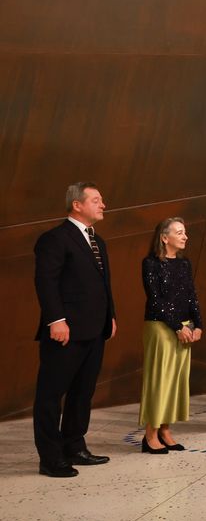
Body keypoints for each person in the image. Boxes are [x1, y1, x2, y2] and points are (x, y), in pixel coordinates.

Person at [33, 183, 117, 478]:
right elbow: (47, 283)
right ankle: (50, 457)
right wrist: (55, 320)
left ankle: (74, 446)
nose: (103, 204)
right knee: (51, 395)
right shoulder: (54, 239)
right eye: (96, 199)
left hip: (95, 330)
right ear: (77, 205)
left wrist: (111, 316)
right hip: (65, 331)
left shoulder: (99, 241)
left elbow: (103, 285)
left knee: (83, 392)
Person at [139, 217, 203, 454]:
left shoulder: (184, 264)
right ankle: (150, 433)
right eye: (179, 232)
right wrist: (178, 326)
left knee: (175, 381)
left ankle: (165, 430)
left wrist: (197, 325)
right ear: (164, 238)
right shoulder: (151, 264)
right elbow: (155, 300)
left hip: (184, 328)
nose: (185, 236)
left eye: (185, 232)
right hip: (161, 328)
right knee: (160, 381)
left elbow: (191, 296)